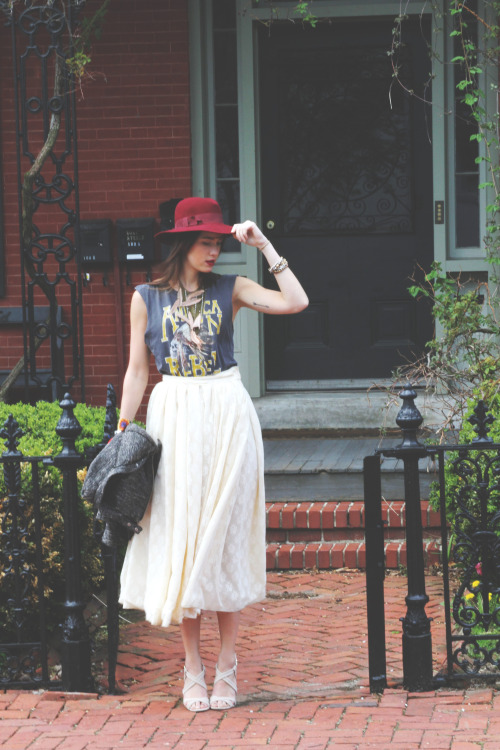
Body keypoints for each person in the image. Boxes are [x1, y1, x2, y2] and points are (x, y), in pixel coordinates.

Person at [117, 197, 308, 712]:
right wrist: (122, 428)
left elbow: (296, 302)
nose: (216, 250)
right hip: (174, 412)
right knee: (184, 536)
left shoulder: (232, 289)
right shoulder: (145, 298)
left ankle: (227, 664)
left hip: (225, 410)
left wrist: (264, 245)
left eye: (220, 242)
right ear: (183, 242)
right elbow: (138, 370)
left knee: (220, 536)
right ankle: (192, 666)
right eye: (207, 242)